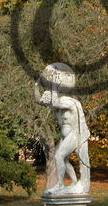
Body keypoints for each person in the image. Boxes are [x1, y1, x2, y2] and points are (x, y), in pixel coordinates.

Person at [34, 63, 90, 195]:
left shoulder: (68, 102)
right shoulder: (58, 105)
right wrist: (36, 86)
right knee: (63, 159)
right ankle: (75, 182)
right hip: (66, 135)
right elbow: (39, 100)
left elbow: (54, 102)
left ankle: (59, 185)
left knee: (59, 156)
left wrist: (53, 84)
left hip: (75, 134)